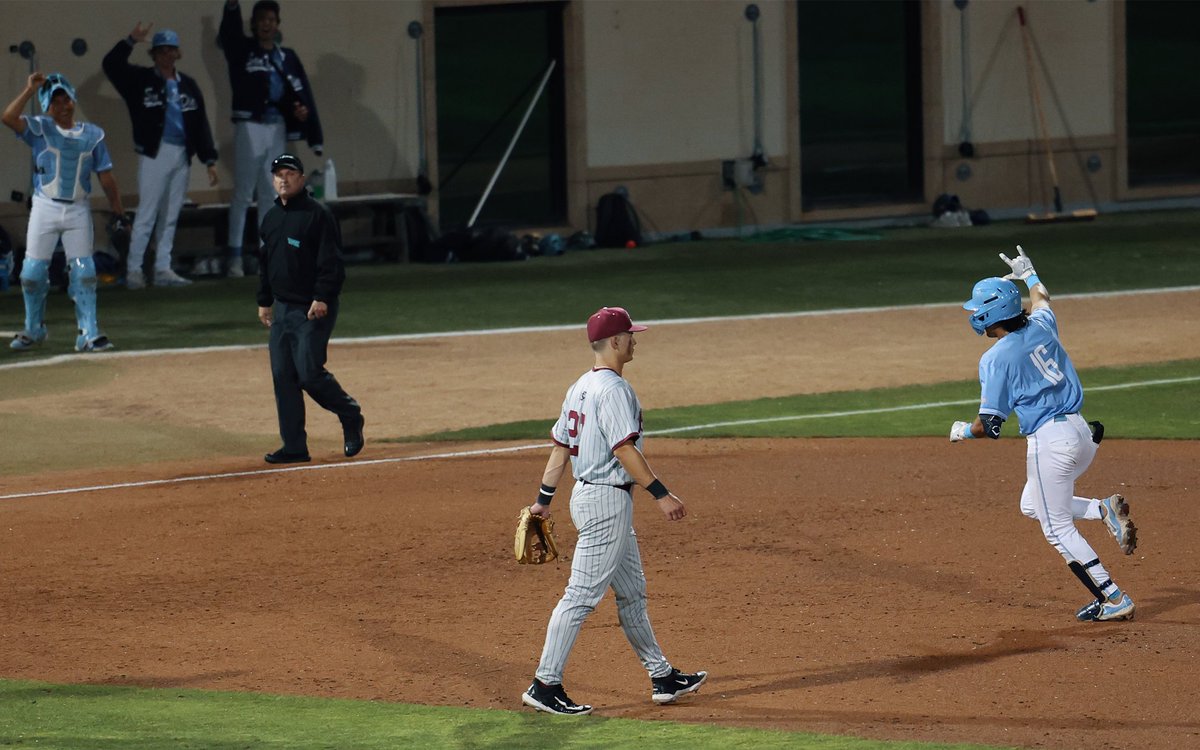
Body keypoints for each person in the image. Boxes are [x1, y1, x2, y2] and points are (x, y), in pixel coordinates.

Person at [521, 306, 707, 716]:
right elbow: (624, 449)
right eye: (631, 335)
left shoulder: (579, 387)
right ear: (617, 341)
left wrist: (543, 499)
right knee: (580, 597)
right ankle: (544, 684)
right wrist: (661, 494)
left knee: (632, 594)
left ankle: (662, 676)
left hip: (590, 498)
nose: (635, 340)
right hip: (606, 501)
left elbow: (560, 448)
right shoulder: (616, 390)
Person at [951, 245, 1138, 622]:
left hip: (1051, 445)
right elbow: (1042, 298)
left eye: (976, 311)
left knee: (1057, 530)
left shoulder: (995, 359)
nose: (973, 317)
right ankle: (1102, 510)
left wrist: (963, 432)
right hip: (1081, 435)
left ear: (989, 316)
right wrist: (1030, 272)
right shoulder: (1041, 324)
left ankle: (1114, 597)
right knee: (1032, 506)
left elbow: (990, 425)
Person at [2, 72, 126, 352]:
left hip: (77, 210)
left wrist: (117, 208)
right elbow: (8, 117)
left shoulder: (92, 135)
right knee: (32, 272)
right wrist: (28, 90)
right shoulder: (40, 129)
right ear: (48, 105)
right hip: (45, 206)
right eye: (56, 101)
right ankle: (34, 328)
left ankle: (89, 332)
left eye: (66, 99)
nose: (63, 106)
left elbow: (106, 175)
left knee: (84, 271)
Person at [256, 153, 362, 464]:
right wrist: (264, 300)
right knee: (283, 376)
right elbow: (265, 265)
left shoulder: (318, 215)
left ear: (302, 179)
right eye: (278, 174)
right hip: (283, 309)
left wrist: (323, 296)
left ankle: (350, 413)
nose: (283, 179)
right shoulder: (271, 218)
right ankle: (294, 446)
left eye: (290, 173)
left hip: (311, 308)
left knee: (309, 373)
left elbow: (331, 262)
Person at [103, 23, 219, 290]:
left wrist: (209, 160)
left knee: (171, 213)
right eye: (161, 51)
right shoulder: (140, 81)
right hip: (155, 152)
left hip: (181, 154)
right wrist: (131, 40)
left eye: (171, 50)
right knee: (147, 213)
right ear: (153, 54)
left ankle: (162, 268)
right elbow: (111, 64)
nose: (166, 55)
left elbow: (200, 124)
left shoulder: (188, 85)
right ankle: (134, 271)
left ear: (177, 54)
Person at [219, 0, 323, 279]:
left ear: (278, 25)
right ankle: (234, 258)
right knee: (243, 192)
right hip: (249, 124)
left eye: (271, 19)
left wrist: (302, 112)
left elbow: (298, 91)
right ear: (254, 24)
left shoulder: (285, 56)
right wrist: (231, 7)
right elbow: (228, 36)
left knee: (271, 191)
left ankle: (267, 255)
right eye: (262, 19)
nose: (267, 24)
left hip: (275, 126)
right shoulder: (243, 50)